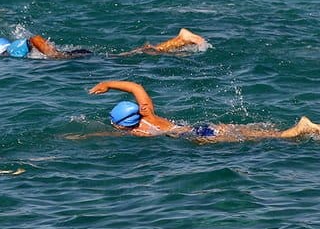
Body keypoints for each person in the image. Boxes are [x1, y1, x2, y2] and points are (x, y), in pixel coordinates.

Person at [90, 80, 320, 141]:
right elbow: (136, 87)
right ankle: (308, 129)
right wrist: (109, 84)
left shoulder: (135, 132)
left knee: (265, 140)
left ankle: (299, 130)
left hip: (195, 137)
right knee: (256, 132)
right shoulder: (148, 113)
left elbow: (104, 135)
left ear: (121, 123)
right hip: (200, 127)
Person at [0, 28, 207, 59]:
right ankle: (178, 43)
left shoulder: (11, 52)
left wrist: (55, 56)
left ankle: (180, 40)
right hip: (73, 56)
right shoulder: (11, 51)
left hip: (70, 57)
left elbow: (34, 39)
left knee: (126, 58)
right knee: (125, 56)